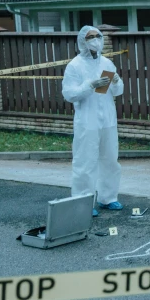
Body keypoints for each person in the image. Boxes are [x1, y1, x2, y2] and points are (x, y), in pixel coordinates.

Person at [62, 26, 125, 217]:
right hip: (87, 121)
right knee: (85, 162)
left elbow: (118, 91)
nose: (96, 39)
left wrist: (115, 81)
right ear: (82, 40)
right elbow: (69, 94)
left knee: (110, 160)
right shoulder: (75, 65)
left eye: (98, 36)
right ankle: (83, 201)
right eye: (91, 37)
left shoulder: (106, 63)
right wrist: (90, 85)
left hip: (107, 119)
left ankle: (108, 198)